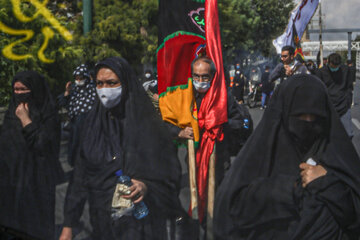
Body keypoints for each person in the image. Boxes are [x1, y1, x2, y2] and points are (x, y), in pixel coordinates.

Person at [214, 74, 360, 240]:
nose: (308, 122)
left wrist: (328, 183)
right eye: (300, 116)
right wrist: (289, 189)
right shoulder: (261, 154)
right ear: (284, 113)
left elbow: (354, 216)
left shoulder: (335, 152)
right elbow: (232, 210)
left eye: (315, 118)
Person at [60, 57, 183, 240]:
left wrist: (146, 186)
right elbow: (80, 177)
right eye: (99, 83)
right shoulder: (91, 125)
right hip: (102, 223)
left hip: (143, 225)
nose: (104, 90)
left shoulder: (149, 126)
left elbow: (170, 175)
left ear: (125, 84)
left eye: (111, 83)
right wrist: (68, 226)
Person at [0, 71, 64, 239]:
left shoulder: (48, 115)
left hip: (38, 181)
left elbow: (43, 146)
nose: (20, 94)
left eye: (24, 89)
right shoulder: (10, 114)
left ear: (34, 90)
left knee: (36, 225)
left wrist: (26, 121)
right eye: (16, 90)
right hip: (12, 181)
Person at [57, 64, 96, 166]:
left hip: (90, 123)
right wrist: (67, 92)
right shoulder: (74, 90)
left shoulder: (92, 89)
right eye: (76, 78)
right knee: (76, 147)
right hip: (75, 124)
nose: (78, 81)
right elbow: (62, 103)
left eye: (81, 78)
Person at [315, 53, 354, 138]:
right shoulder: (321, 72)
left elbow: (349, 87)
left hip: (343, 105)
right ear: (328, 62)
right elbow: (318, 89)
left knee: (348, 134)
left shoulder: (346, 70)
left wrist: (348, 101)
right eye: (332, 67)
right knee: (326, 134)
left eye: (336, 66)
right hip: (328, 106)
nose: (334, 68)